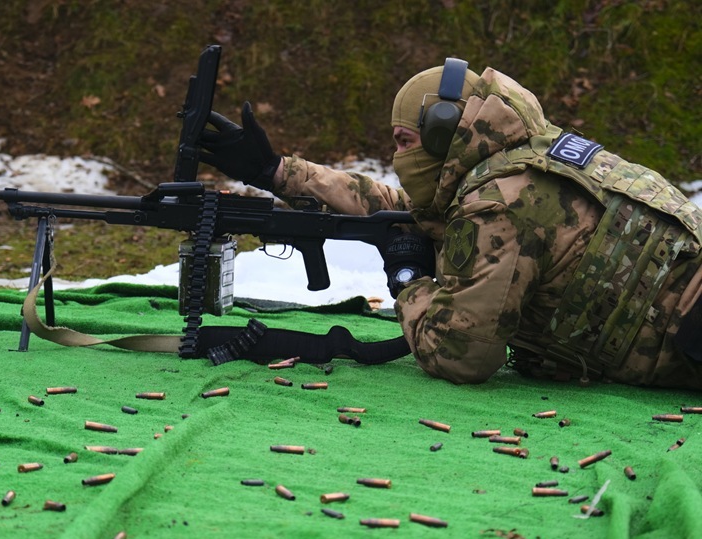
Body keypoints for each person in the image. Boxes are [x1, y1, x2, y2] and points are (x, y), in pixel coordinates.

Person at [197, 58, 702, 390]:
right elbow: (407, 212)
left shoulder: (497, 202)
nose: (396, 157)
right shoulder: (527, 160)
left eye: (403, 140)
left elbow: (460, 356)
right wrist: (279, 173)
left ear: (443, 134)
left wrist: (409, 282)